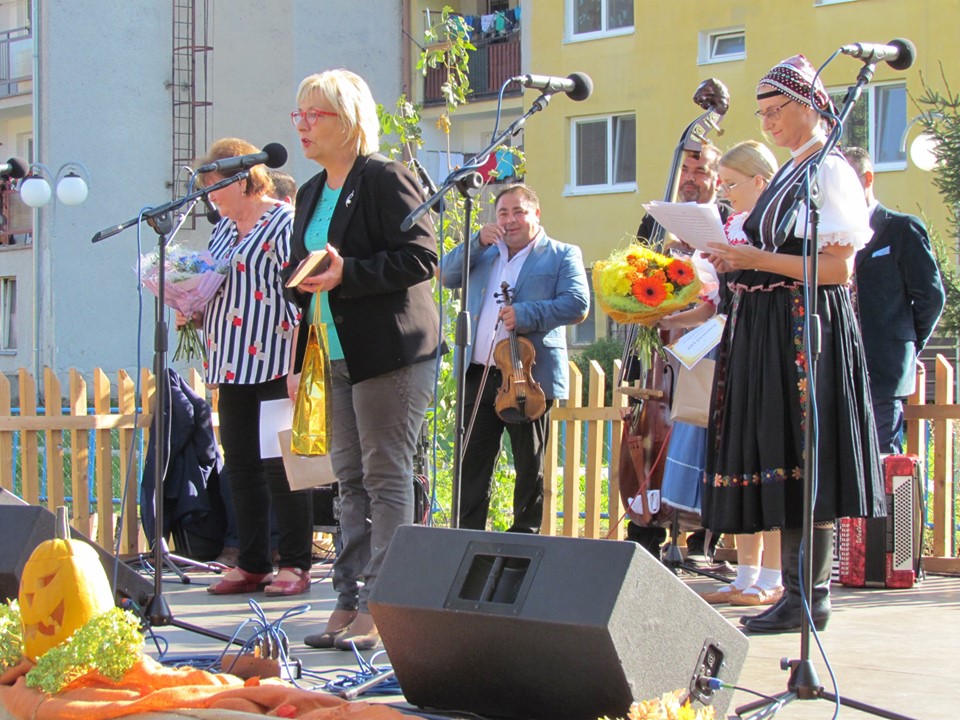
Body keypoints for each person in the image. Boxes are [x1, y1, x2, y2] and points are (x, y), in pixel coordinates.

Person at [701, 55, 885, 633]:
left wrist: (755, 257)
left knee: (808, 456)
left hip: (807, 326)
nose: (768, 123)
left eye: (776, 110)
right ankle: (797, 594)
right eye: (761, 114)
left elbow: (837, 268)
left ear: (809, 105)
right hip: (773, 325)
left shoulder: (829, 169)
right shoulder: (792, 169)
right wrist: (733, 260)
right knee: (785, 455)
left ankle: (811, 596)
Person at [284, 69, 442, 652]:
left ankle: (384, 602)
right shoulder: (309, 191)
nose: (302, 125)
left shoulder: (385, 177)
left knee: (384, 475)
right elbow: (306, 273)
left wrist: (348, 272)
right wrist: (299, 294)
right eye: (299, 114)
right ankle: (347, 599)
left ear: (349, 121)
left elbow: (421, 256)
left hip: (389, 351)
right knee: (347, 479)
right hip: (331, 351)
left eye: (314, 114)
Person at [197, 137, 314, 598]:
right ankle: (252, 563)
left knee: (281, 466)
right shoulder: (223, 230)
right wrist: (192, 306)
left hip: (275, 360)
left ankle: (296, 563)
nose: (210, 197)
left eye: (216, 186)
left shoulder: (283, 222)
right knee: (241, 467)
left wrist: (299, 364)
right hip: (231, 362)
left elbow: (303, 297)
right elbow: (219, 287)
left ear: (244, 181)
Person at [441, 183, 589, 534]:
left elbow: (577, 304)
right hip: (479, 374)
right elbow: (445, 274)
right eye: (503, 213)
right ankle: (469, 540)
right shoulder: (484, 253)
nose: (510, 220)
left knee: (529, 465)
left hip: (528, 376)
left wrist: (526, 314)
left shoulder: (562, 253)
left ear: (536, 214)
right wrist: (476, 242)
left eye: (518, 212)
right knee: (471, 465)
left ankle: (525, 540)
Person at [681, 140, 784, 608]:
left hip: (769, 349)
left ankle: (773, 576)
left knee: (768, 461)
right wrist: (663, 316)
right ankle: (745, 575)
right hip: (735, 348)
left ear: (760, 181)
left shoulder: (778, 229)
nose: (724, 192)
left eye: (731, 183)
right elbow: (714, 305)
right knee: (739, 460)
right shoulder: (733, 227)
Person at [627, 143, 728, 566]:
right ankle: (646, 530)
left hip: (709, 343)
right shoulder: (657, 219)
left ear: (717, 178)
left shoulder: (728, 220)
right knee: (652, 432)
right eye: (685, 170)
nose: (690, 178)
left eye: (700, 171)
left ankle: (703, 535)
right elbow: (635, 279)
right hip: (662, 351)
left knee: (707, 431)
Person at [842, 146, 946, 454]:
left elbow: (930, 297)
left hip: (883, 371)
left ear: (867, 179)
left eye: (845, 183)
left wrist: (907, 343)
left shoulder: (902, 229)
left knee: (881, 458)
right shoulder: (829, 238)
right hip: (838, 369)